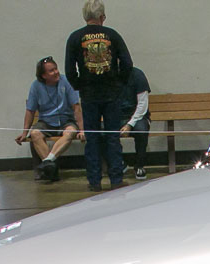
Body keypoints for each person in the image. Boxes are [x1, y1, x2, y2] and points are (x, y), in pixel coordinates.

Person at [65, 0, 133, 191]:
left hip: (89, 95)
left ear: (85, 17)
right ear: (102, 17)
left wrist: (80, 85)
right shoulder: (113, 35)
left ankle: (94, 181)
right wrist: (119, 83)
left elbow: (70, 70)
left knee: (92, 138)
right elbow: (127, 64)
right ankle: (116, 179)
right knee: (113, 137)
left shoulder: (75, 38)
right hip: (111, 94)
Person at [14, 56, 83, 182]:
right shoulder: (36, 86)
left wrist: (82, 130)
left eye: (56, 69)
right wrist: (25, 133)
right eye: (51, 71)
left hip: (66, 120)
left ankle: (47, 164)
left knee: (70, 132)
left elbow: (76, 107)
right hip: (46, 122)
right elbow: (30, 111)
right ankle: (51, 168)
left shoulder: (66, 81)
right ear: (44, 75)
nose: (56, 72)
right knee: (35, 134)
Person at [118, 65, 150, 180]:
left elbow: (142, 105)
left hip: (138, 115)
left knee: (141, 131)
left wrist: (129, 124)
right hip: (117, 116)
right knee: (101, 133)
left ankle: (139, 165)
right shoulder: (109, 75)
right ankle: (119, 162)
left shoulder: (137, 75)